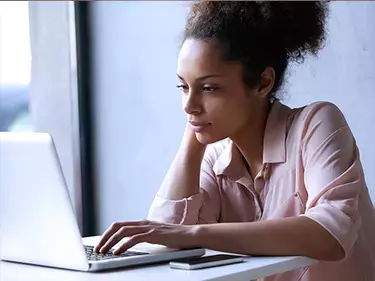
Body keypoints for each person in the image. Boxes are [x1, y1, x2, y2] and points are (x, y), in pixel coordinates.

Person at [95, 2, 375, 280]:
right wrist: (194, 135)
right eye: (183, 87)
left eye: (209, 88)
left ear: (263, 83)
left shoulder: (316, 124)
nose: (188, 104)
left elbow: (330, 234)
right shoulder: (215, 158)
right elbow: (164, 240)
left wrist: (196, 234)